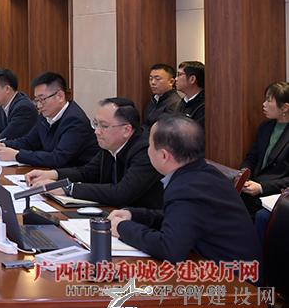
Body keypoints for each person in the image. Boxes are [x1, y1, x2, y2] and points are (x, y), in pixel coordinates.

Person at [110, 114, 261, 264]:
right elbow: (180, 219)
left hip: (232, 276)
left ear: (164, 155)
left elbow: (169, 248)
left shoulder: (186, 188)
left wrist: (122, 228)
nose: (147, 150)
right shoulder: (202, 172)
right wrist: (134, 215)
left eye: (149, 145)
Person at [25, 98, 163, 209]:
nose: (97, 131)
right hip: (112, 213)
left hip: (142, 223)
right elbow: (87, 172)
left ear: (126, 130)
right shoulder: (110, 144)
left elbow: (122, 192)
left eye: (104, 126)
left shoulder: (145, 151)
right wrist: (52, 174)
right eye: (96, 124)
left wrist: (69, 189)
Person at [0, 72, 98, 169]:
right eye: (37, 100)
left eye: (42, 99)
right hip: (49, 172)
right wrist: (3, 145)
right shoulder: (45, 115)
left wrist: (17, 155)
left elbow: (58, 158)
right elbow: (29, 142)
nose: (38, 105)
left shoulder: (75, 120)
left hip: (74, 177)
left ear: (60, 96)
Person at [239, 81, 289, 213]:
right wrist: (244, 174)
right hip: (252, 184)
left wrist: (262, 187)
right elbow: (252, 156)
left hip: (273, 193)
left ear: (284, 107)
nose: (264, 104)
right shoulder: (265, 126)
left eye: (269, 101)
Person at [142, 63, 182, 130]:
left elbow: (165, 130)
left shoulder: (175, 103)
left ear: (171, 82)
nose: (153, 82)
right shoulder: (153, 99)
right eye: (150, 79)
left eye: (157, 79)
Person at [175, 60, 205, 128]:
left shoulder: (203, 106)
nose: (176, 79)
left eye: (179, 75)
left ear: (192, 79)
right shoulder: (182, 102)